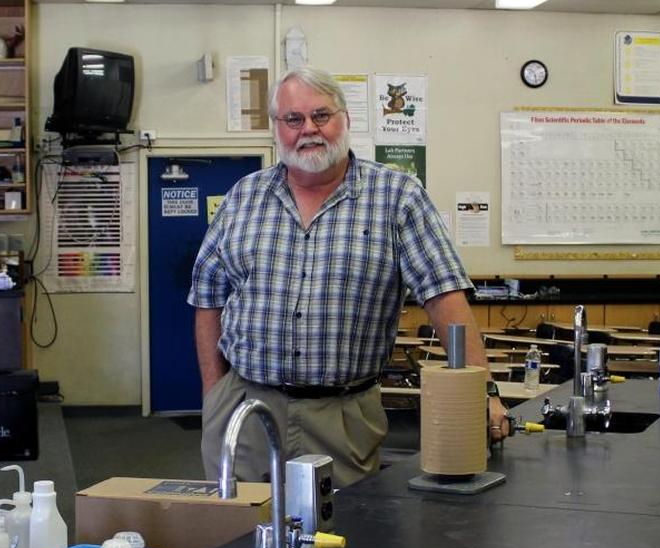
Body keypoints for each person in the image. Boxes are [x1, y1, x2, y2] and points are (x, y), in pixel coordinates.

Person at [188, 67, 507, 489]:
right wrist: (214, 396)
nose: (309, 130)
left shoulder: (397, 197)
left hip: (342, 416)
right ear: (277, 128)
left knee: (341, 537)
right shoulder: (243, 196)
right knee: (238, 537)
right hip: (245, 408)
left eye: (322, 115)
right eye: (294, 119)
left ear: (346, 119)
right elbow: (207, 297)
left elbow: (444, 297)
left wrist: (482, 392)